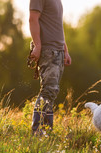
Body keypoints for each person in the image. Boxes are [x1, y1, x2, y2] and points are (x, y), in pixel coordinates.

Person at [29, 0, 72, 135]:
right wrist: (37, 46)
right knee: (48, 90)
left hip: (58, 51)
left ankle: (47, 131)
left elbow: (58, 26)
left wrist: (65, 50)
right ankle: (38, 131)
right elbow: (32, 19)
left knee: (52, 92)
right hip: (48, 50)